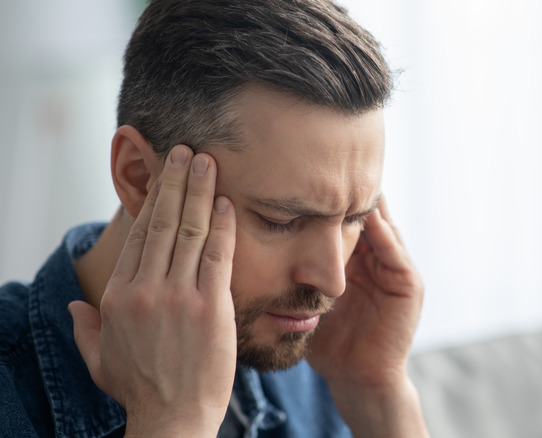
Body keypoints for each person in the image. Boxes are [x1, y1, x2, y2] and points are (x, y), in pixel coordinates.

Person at [0, 1, 429, 437]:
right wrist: (172, 421)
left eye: (355, 217)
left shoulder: (318, 362)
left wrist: (380, 398)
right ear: (139, 176)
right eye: (280, 220)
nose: (332, 281)